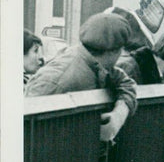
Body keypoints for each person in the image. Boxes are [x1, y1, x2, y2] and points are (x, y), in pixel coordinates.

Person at [25, 11, 138, 143]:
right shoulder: (60, 79)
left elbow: (125, 82)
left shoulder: (96, 63)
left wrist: (118, 116)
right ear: (114, 52)